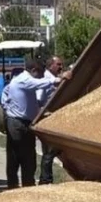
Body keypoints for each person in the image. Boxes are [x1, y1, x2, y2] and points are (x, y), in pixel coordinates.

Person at [0, 57, 66, 189]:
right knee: (19, 157)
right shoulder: (24, 80)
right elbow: (40, 84)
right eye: (41, 72)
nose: (42, 75)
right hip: (18, 124)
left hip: (23, 122)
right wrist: (59, 79)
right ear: (34, 70)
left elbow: (6, 92)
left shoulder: (19, 79)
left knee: (26, 156)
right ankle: (17, 185)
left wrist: (8, 107)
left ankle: (25, 184)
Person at [37, 56, 65, 185]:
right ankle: (45, 180)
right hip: (47, 116)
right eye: (58, 64)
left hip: (53, 116)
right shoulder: (46, 78)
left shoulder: (52, 78)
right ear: (50, 66)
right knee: (48, 151)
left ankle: (47, 178)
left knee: (52, 150)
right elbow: (39, 98)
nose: (61, 67)